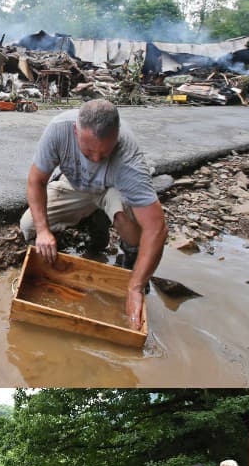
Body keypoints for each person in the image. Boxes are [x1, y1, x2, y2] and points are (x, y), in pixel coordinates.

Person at [21, 99, 169, 331]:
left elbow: (156, 229)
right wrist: (43, 231)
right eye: (89, 151)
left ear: (117, 136)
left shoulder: (129, 158)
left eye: (105, 152)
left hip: (111, 190)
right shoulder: (59, 130)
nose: (97, 159)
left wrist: (135, 286)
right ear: (75, 131)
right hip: (74, 185)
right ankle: (86, 223)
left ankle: (127, 262)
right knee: (29, 226)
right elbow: (35, 181)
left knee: (134, 236)